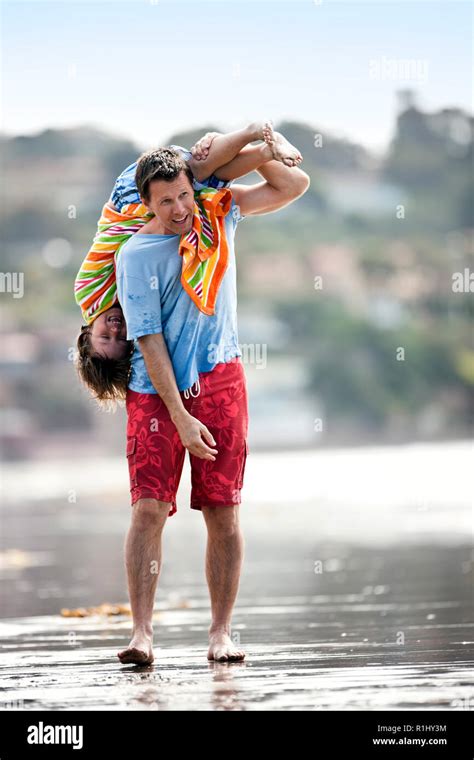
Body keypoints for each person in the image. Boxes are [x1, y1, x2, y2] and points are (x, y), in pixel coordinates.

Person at [113, 122, 310, 664]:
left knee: (223, 510)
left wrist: (256, 145)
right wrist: (178, 415)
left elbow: (293, 186)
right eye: (166, 202)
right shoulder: (136, 256)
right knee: (149, 509)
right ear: (147, 204)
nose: (179, 209)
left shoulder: (217, 215)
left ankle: (221, 633)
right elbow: (148, 339)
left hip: (220, 379)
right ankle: (142, 634)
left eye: (183, 194)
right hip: (156, 393)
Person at [74, 122, 302, 402]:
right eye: (121, 340)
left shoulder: (89, 292)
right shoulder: (190, 211)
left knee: (195, 170)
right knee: (204, 176)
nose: (115, 330)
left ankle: (254, 132)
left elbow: (117, 249)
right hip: (155, 208)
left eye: (104, 338)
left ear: (85, 337)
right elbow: (296, 185)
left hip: (127, 206)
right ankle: (265, 149)